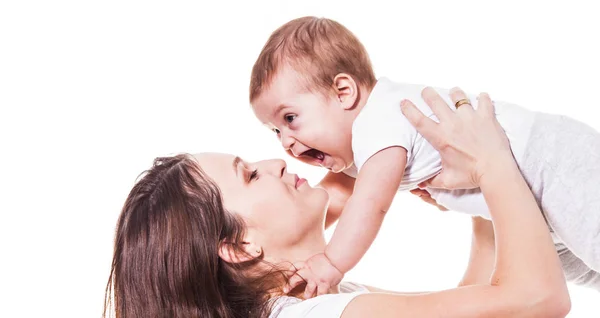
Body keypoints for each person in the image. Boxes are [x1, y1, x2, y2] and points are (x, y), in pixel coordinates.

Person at [104, 88, 570, 318]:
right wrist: (493, 162)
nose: (276, 161)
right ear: (239, 246)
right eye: (249, 174)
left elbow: (481, 309)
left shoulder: (310, 305)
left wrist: (477, 196)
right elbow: (537, 300)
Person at [249, 16, 600, 296]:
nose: (286, 142)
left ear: (344, 92)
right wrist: (274, 240)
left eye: (290, 119)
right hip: (532, 202)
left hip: (550, 163)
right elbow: (336, 198)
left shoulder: (378, 123)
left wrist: (331, 262)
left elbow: (370, 205)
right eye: (276, 131)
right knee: (590, 270)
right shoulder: (361, 147)